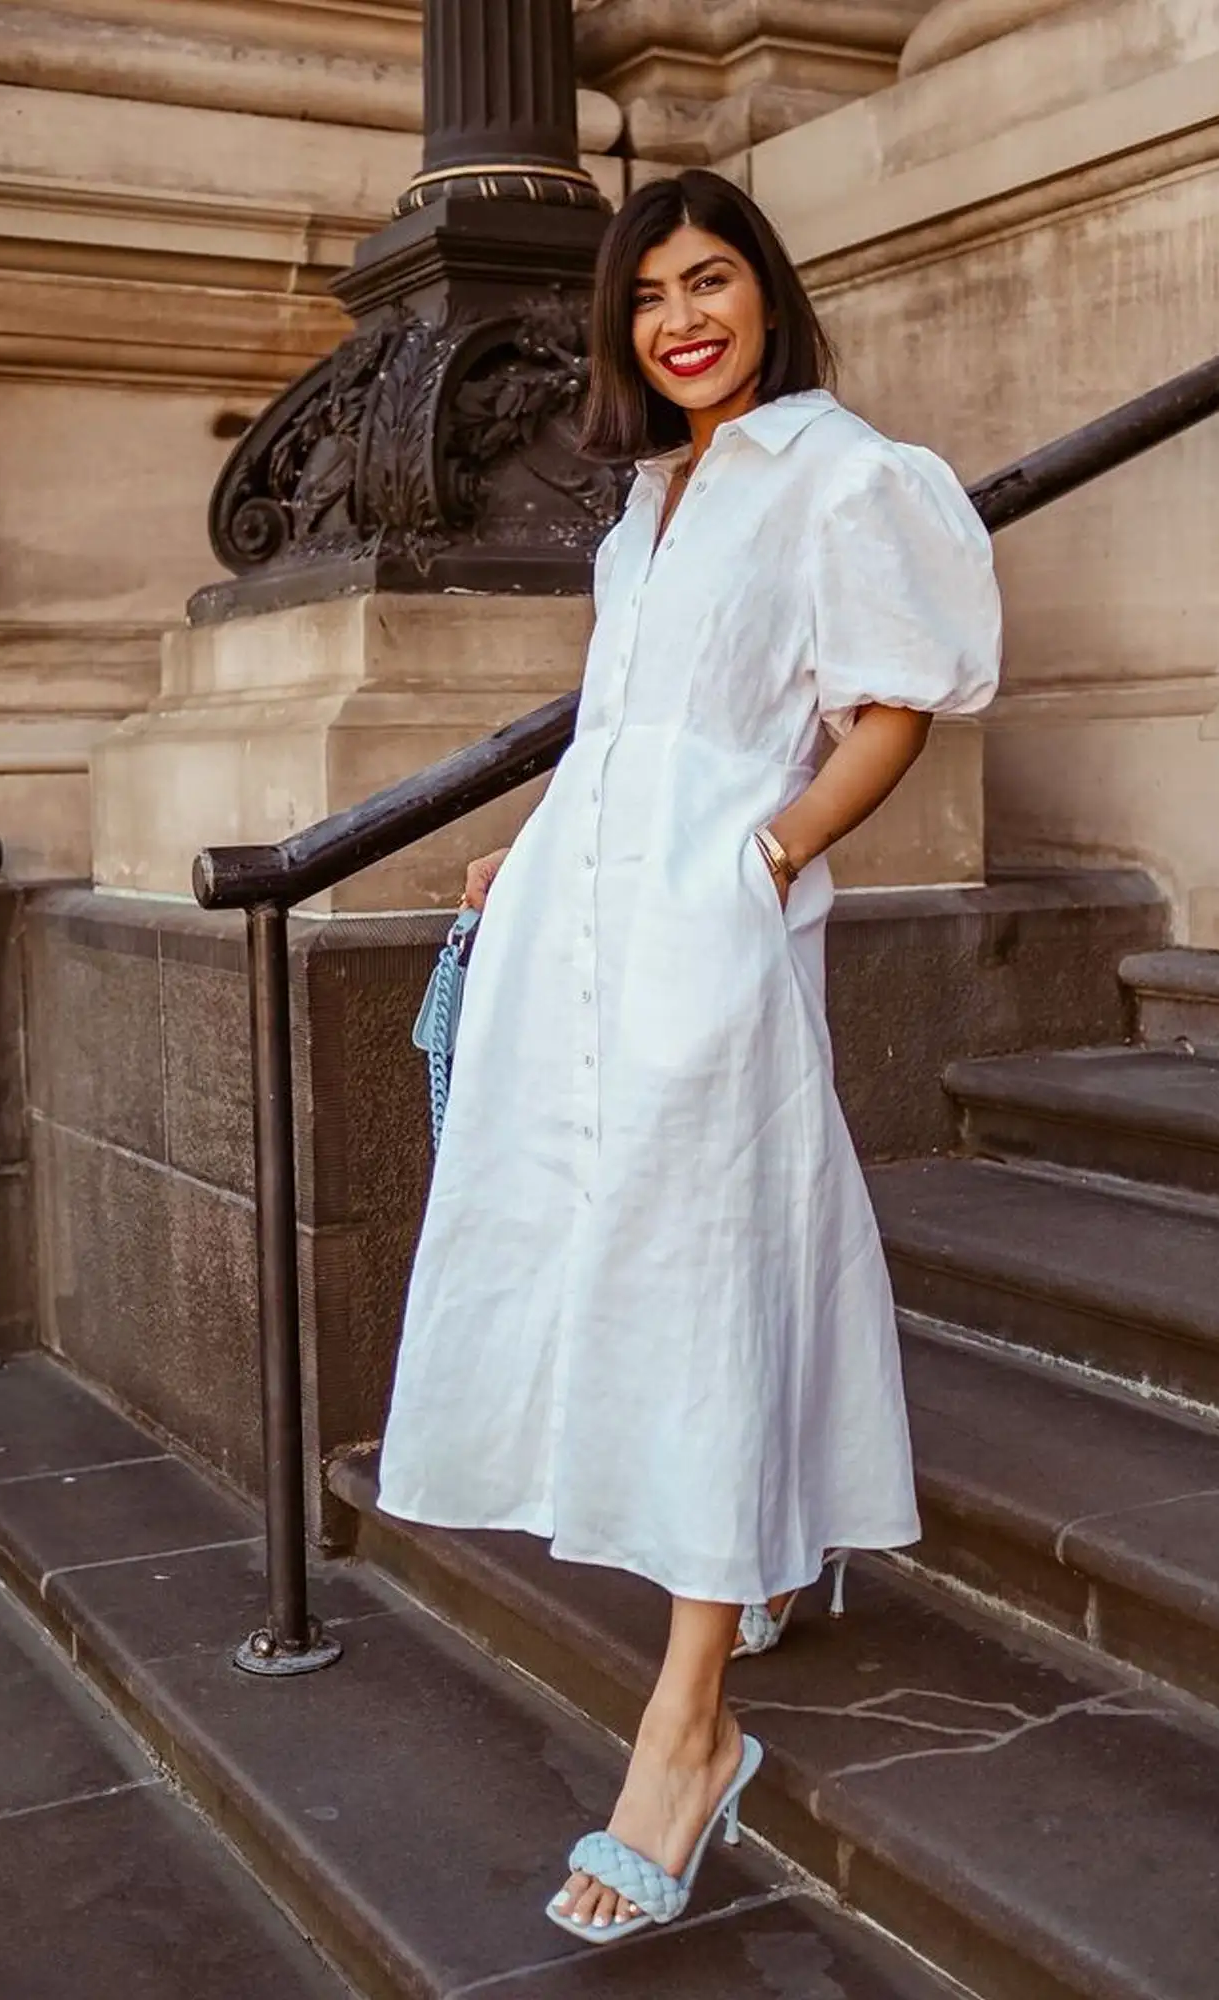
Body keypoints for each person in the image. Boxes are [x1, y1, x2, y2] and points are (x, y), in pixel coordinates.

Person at [376, 168, 1002, 1943]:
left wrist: (771, 858)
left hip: (714, 924)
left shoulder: (843, 475)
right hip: (586, 920)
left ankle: (688, 1725)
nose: (680, 319)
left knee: (710, 1260)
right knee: (634, 1246)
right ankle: (772, 1548)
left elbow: (891, 708)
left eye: (708, 280)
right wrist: (541, 838)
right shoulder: (645, 501)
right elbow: (628, 720)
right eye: (648, 297)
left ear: (766, 292)